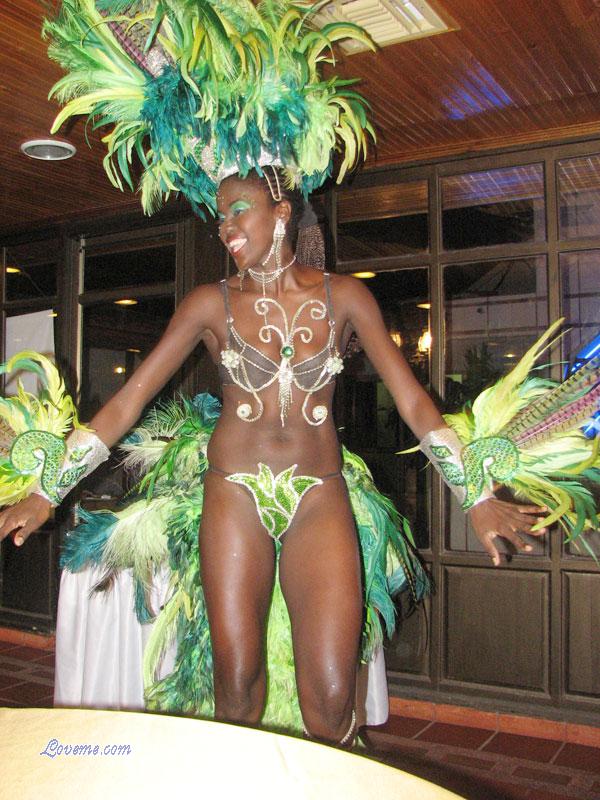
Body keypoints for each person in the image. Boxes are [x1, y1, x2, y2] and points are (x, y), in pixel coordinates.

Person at [0, 163, 549, 744]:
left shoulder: (345, 296)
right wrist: (47, 490)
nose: (226, 227)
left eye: (239, 210)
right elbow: (128, 402)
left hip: (318, 495)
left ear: (281, 212)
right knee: (237, 689)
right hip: (234, 493)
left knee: (332, 698)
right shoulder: (210, 303)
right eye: (219, 217)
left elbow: (413, 402)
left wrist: (476, 494)